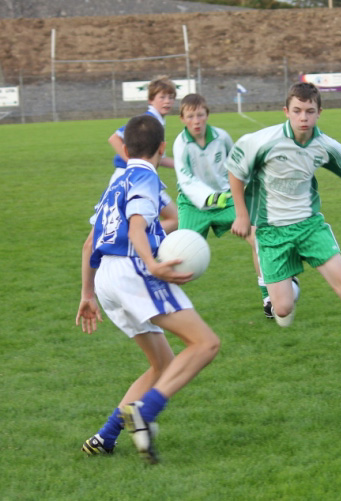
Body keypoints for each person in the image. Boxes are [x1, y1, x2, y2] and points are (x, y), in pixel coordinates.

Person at [225, 82, 341, 369]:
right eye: (297, 111)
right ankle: (290, 286)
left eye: (310, 111)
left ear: (319, 113)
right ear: (286, 111)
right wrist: (241, 214)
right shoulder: (262, 141)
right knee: (282, 310)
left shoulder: (323, 146)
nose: (303, 118)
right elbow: (235, 171)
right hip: (272, 232)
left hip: (310, 226)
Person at [76, 115, 220, 463]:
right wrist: (153, 265)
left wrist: (87, 294)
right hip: (132, 271)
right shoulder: (145, 177)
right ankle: (144, 412)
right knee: (205, 343)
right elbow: (138, 227)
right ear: (162, 148)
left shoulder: (117, 182)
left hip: (106, 278)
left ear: (124, 149)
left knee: (163, 364)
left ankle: (105, 437)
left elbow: (88, 244)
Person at [172, 93, 288, 317]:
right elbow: (186, 180)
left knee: (258, 238)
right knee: (180, 258)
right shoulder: (181, 144)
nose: (196, 121)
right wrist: (211, 199)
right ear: (182, 119)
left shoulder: (221, 137)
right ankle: (166, 305)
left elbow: (237, 164)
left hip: (227, 200)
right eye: (190, 116)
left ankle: (268, 298)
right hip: (194, 205)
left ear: (207, 115)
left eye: (200, 115)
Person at [108, 76, 178, 233]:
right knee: (175, 219)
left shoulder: (158, 121)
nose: (167, 101)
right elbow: (114, 138)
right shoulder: (149, 120)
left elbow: (160, 159)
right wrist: (135, 166)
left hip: (130, 179)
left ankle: (138, 245)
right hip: (133, 179)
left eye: (171, 97)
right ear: (150, 100)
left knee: (116, 228)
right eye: (162, 97)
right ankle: (138, 244)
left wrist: (184, 165)